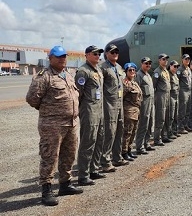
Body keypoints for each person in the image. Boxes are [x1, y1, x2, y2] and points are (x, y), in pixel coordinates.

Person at [26, 46, 83, 206]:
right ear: (50, 58)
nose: (62, 59)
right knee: (49, 157)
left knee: (69, 154)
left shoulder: (68, 76)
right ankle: (46, 190)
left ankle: (65, 184)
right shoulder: (44, 76)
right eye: (58, 56)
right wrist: (49, 111)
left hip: (71, 123)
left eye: (64, 56)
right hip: (52, 125)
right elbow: (32, 99)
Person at [76, 45, 105, 186]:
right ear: (86, 55)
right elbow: (78, 94)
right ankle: (83, 175)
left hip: (99, 110)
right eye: (94, 54)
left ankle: (94, 169)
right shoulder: (83, 71)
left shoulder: (98, 70)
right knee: (87, 142)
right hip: (89, 111)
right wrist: (82, 109)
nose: (97, 56)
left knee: (99, 139)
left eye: (99, 54)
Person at [99, 44, 128, 169]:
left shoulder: (119, 67)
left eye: (116, 51)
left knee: (120, 129)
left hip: (119, 102)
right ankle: (105, 161)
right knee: (109, 131)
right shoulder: (103, 68)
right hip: (109, 103)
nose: (115, 54)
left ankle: (117, 157)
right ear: (106, 54)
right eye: (112, 52)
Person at [135, 57, 155, 155]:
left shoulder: (148, 75)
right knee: (143, 123)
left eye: (149, 63)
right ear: (141, 64)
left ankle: (146, 143)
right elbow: (136, 90)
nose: (148, 65)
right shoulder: (138, 75)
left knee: (150, 122)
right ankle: (140, 146)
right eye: (146, 63)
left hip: (150, 101)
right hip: (144, 102)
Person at [122, 62, 142, 161]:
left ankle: (129, 150)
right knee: (127, 132)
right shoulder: (125, 83)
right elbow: (122, 97)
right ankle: (124, 152)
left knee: (133, 132)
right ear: (126, 72)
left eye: (134, 70)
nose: (132, 72)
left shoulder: (134, 82)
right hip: (129, 111)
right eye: (130, 70)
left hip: (136, 111)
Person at [153, 53, 172, 145]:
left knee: (166, 116)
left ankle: (164, 136)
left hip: (167, 95)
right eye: (163, 59)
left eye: (166, 59)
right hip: (161, 95)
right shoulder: (157, 72)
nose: (165, 61)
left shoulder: (165, 71)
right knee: (160, 117)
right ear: (159, 61)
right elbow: (154, 85)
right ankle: (157, 138)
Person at [178, 54, 192, 133]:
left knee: (188, 109)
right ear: (182, 60)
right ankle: (180, 127)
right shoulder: (180, 69)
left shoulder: (188, 69)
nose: (187, 60)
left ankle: (185, 124)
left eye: (188, 59)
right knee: (182, 109)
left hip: (189, 90)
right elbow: (177, 80)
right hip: (183, 91)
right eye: (185, 59)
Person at [168, 60, 181, 138]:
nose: (176, 68)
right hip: (171, 96)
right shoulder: (168, 75)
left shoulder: (175, 75)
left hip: (176, 96)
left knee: (176, 114)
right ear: (170, 66)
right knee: (171, 115)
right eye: (174, 66)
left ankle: (175, 131)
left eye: (177, 66)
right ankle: (169, 133)